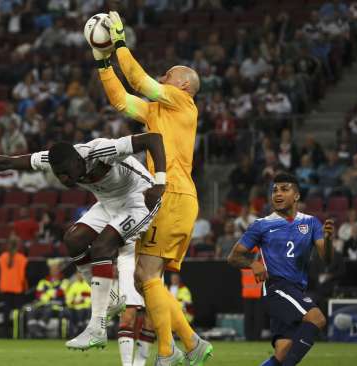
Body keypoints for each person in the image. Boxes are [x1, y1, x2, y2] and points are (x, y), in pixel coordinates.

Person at [0, 131, 168, 351]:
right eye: (58, 174)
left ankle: (97, 326)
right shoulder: (54, 160)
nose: (63, 179)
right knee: (73, 239)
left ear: (78, 161)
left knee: (101, 246)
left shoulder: (101, 151)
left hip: (140, 199)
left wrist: (159, 183)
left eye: (66, 173)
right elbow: (8, 162)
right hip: (109, 204)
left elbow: (153, 139)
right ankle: (109, 299)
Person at [95, 11, 211, 365]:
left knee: (146, 275)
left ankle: (172, 349)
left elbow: (141, 82)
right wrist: (103, 64)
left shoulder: (182, 102)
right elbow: (122, 100)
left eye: (169, 76)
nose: (163, 78)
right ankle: (187, 344)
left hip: (172, 193)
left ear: (184, 86)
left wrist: (118, 43)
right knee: (149, 277)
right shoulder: (158, 113)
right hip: (172, 195)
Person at [228, 172, 335, 366]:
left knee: (283, 353)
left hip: (296, 290)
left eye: (284, 189)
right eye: (274, 190)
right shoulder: (262, 225)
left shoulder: (311, 223)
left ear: (296, 196)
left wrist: (328, 240)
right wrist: (253, 263)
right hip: (276, 288)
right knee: (317, 318)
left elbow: (326, 258)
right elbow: (233, 256)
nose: (277, 193)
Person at [29, 258, 70, 338]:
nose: (53, 271)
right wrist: (50, 294)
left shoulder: (64, 281)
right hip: (43, 305)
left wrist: (47, 294)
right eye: (52, 269)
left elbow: (60, 292)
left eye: (55, 269)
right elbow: (38, 294)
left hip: (57, 306)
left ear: (59, 270)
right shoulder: (43, 281)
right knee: (32, 311)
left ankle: (38, 331)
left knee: (48, 310)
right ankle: (34, 331)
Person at [0, 237, 29, 337]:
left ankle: (5, 334)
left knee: (6, 313)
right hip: (17, 289)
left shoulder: (2, 257)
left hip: (5, 288)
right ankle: (19, 333)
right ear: (18, 246)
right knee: (19, 313)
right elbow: (22, 275)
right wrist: (26, 287)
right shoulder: (22, 258)